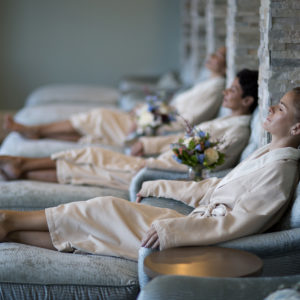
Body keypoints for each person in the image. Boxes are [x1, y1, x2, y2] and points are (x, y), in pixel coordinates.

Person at [0, 88, 299, 261]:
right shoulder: (268, 153)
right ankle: (9, 227)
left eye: (281, 108)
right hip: (193, 226)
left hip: (197, 239)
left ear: (297, 129)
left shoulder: (280, 170)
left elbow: (238, 223)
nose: (270, 107)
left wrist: (173, 231)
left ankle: (9, 220)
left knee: (101, 209)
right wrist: (159, 186)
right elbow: (214, 187)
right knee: (99, 215)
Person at [0, 69, 258, 190]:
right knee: (91, 150)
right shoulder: (225, 121)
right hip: (154, 160)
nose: (226, 91)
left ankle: (22, 165)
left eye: (233, 90)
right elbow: (183, 138)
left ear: (247, 101)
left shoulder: (236, 131)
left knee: (90, 156)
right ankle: (21, 164)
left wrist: (150, 158)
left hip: (158, 171)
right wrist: (146, 144)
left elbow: (201, 168)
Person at [3, 48, 226, 146]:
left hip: (157, 130)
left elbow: (185, 120)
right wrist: (143, 109)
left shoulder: (215, 87)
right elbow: (172, 106)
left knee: (99, 119)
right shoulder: (206, 81)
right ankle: (38, 134)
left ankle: (37, 131)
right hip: (152, 120)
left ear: (226, 64)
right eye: (214, 53)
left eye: (219, 56)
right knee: (96, 131)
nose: (212, 57)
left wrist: (146, 121)